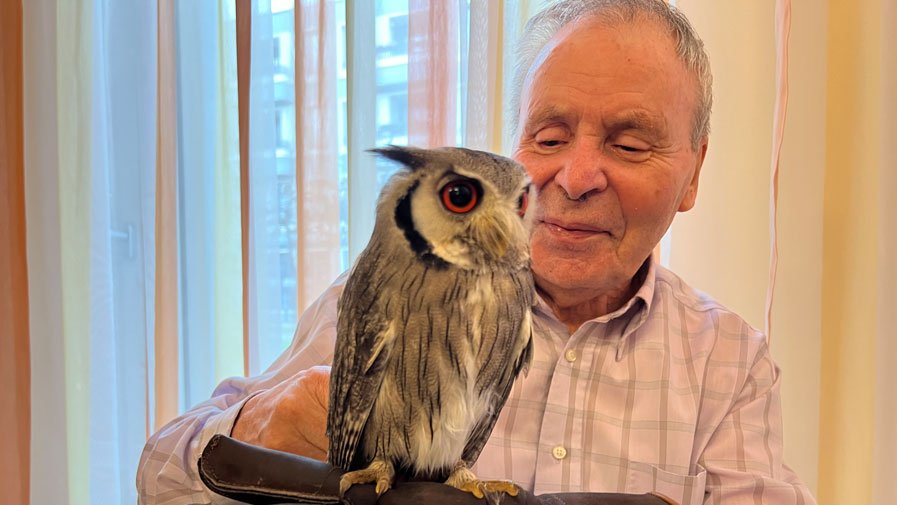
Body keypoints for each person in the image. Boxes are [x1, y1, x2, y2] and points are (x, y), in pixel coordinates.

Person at [137, 1, 818, 504]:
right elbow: (160, 473)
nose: (574, 178)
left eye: (628, 143)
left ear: (692, 172)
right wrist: (269, 423)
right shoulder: (379, 289)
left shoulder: (727, 364)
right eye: (548, 138)